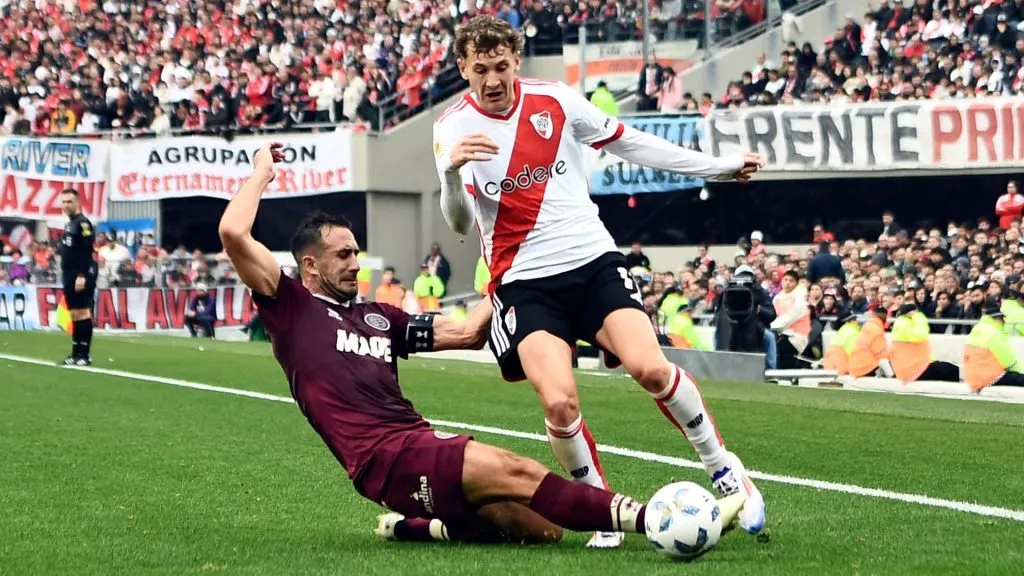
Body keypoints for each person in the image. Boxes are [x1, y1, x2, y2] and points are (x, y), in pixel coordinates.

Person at [432, 15, 768, 548]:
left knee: (651, 368)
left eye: (500, 66)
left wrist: (716, 168)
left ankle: (723, 467)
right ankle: (600, 510)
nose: (492, 80)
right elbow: (457, 223)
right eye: (480, 70)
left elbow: (631, 142)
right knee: (559, 404)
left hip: (592, 264)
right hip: (524, 284)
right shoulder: (451, 129)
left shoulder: (556, 101)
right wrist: (451, 172)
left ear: (516, 60)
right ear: (463, 69)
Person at [218, 143, 655, 547]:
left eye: (356, 253)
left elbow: (467, 333)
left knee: (543, 529)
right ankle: (653, 518)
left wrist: (513, 274)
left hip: (416, 443)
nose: (355, 264)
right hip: (385, 457)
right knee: (518, 469)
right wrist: (262, 173)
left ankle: (417, 527)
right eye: (343, 255)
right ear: (310, 265)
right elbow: (234, 232)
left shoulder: (378, 317)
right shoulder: (291, 306)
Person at [58, 189, 97, 366]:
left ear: (77, 202)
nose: (66, 205)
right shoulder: (70, 224)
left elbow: (87, 251)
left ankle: (84, 354)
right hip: (68, 273)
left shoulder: (83, 223)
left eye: (69, 201)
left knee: (82, 312)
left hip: (79, 273)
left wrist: (82, 275)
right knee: (74, 314)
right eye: (64, 202)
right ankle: (75, 353)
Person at [889, 304, 959, 383]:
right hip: (914, 368)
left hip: (913, 366)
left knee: (948, 368)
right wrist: (919, 317)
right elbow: (920, 336)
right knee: (952, 370)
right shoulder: (904, 323)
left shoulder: (903, 324)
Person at [964, 299, 1024, 390]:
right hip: (990, 377)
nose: (1004, 321)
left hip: (973, 378)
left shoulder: (977, 329)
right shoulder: (994, 333)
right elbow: (1008, 360)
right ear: (997, 318)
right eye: (1002, 318)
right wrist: (1020, 373)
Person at [769, 270, 811, 369]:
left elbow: (790, 318)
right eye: (785, 280)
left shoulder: (800, 298)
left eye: (791, 281)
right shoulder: (778, 297)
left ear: (796, 283)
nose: (787, 283)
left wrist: (770, 326)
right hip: (781, 333)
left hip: (795, 336)